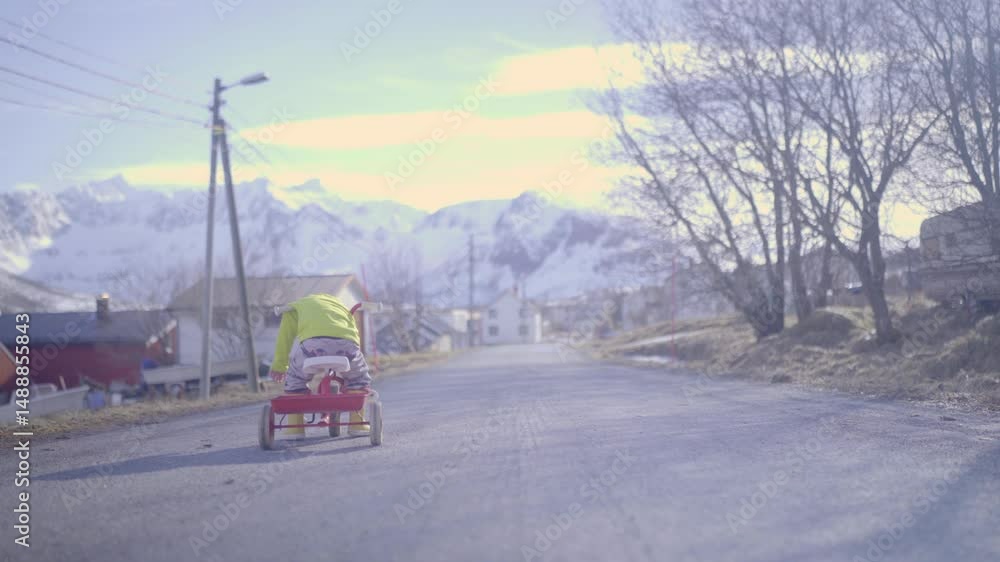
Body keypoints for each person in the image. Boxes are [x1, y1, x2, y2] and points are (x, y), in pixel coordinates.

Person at [268, 293, 372, 436]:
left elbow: (284, 338)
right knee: (358, 379)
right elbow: (353, 334)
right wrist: (354, 354)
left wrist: (280, 366)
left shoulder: (297, 307)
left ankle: (295, 427)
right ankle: (357, 424)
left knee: (295, 379)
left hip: (313, 347)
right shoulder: (341, 307)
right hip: (346, 346)